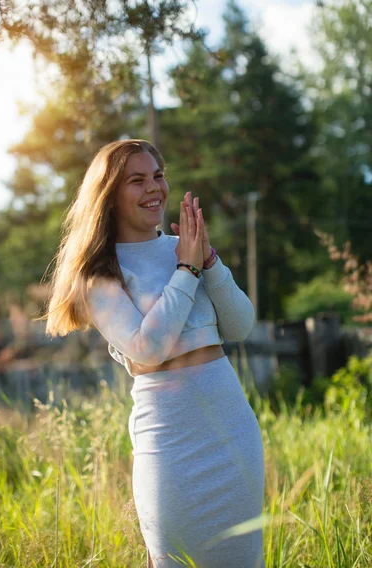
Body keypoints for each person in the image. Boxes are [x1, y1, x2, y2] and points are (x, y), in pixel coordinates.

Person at [43, 139, 265, 568]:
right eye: (137, 180)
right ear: (109, 194)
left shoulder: (187, 250)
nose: (154, 188)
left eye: (158, 176)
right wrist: (187, 270)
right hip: (170, 445)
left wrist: (210, 260)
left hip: (232, 434)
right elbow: (148, 347)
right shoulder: (98, 274)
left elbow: (240, 326)